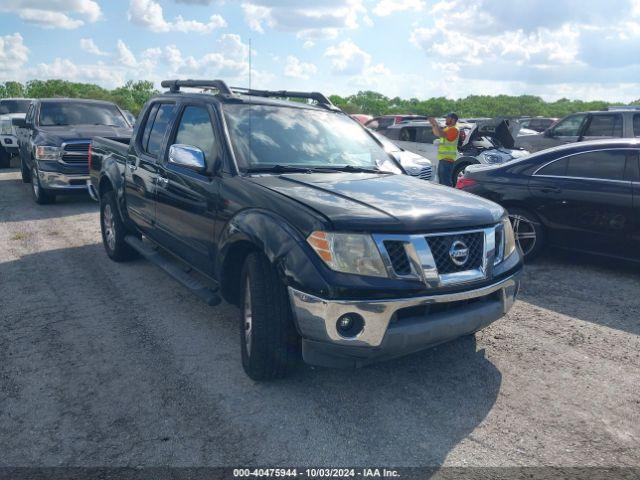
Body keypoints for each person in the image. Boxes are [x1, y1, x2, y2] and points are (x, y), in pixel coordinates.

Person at [428, 113, 459, 187]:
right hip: (444, 159)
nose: (446, 119)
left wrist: (436, 124)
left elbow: (441, 134)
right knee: (442, 181)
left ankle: (448, 196)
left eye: (447, 118)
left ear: (453, 119)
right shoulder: (448, 128)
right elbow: (437, 133)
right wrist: (434, 125)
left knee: (445, 182)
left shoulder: (454, 129)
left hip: (448, 160)